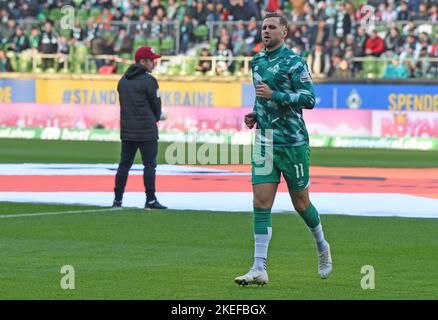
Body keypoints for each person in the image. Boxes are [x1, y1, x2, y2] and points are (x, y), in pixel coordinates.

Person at [234, 12, 332, 286]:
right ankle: (258, 267)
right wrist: (255, 113)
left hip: (292, 144)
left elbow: (309, 99)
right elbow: (261, 97)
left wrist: (275, 95)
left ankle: (322, 245)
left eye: (272, 27)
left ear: (284, 32)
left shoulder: (294, 62)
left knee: (301, 204)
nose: (266, 31)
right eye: (263, 27)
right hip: (265, 141)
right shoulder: (257, 61)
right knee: (260, 202)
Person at [112, 46, 167, 210]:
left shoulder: (123, 80)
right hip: (147, 130)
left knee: (124, 165)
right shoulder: (150, 81)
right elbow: (156, 105)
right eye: (151, 60)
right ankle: (150, 201)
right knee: (149, 165)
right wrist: (156, 118)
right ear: (142, 61)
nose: (154, 63)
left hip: (127, 130)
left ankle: (117, 200)